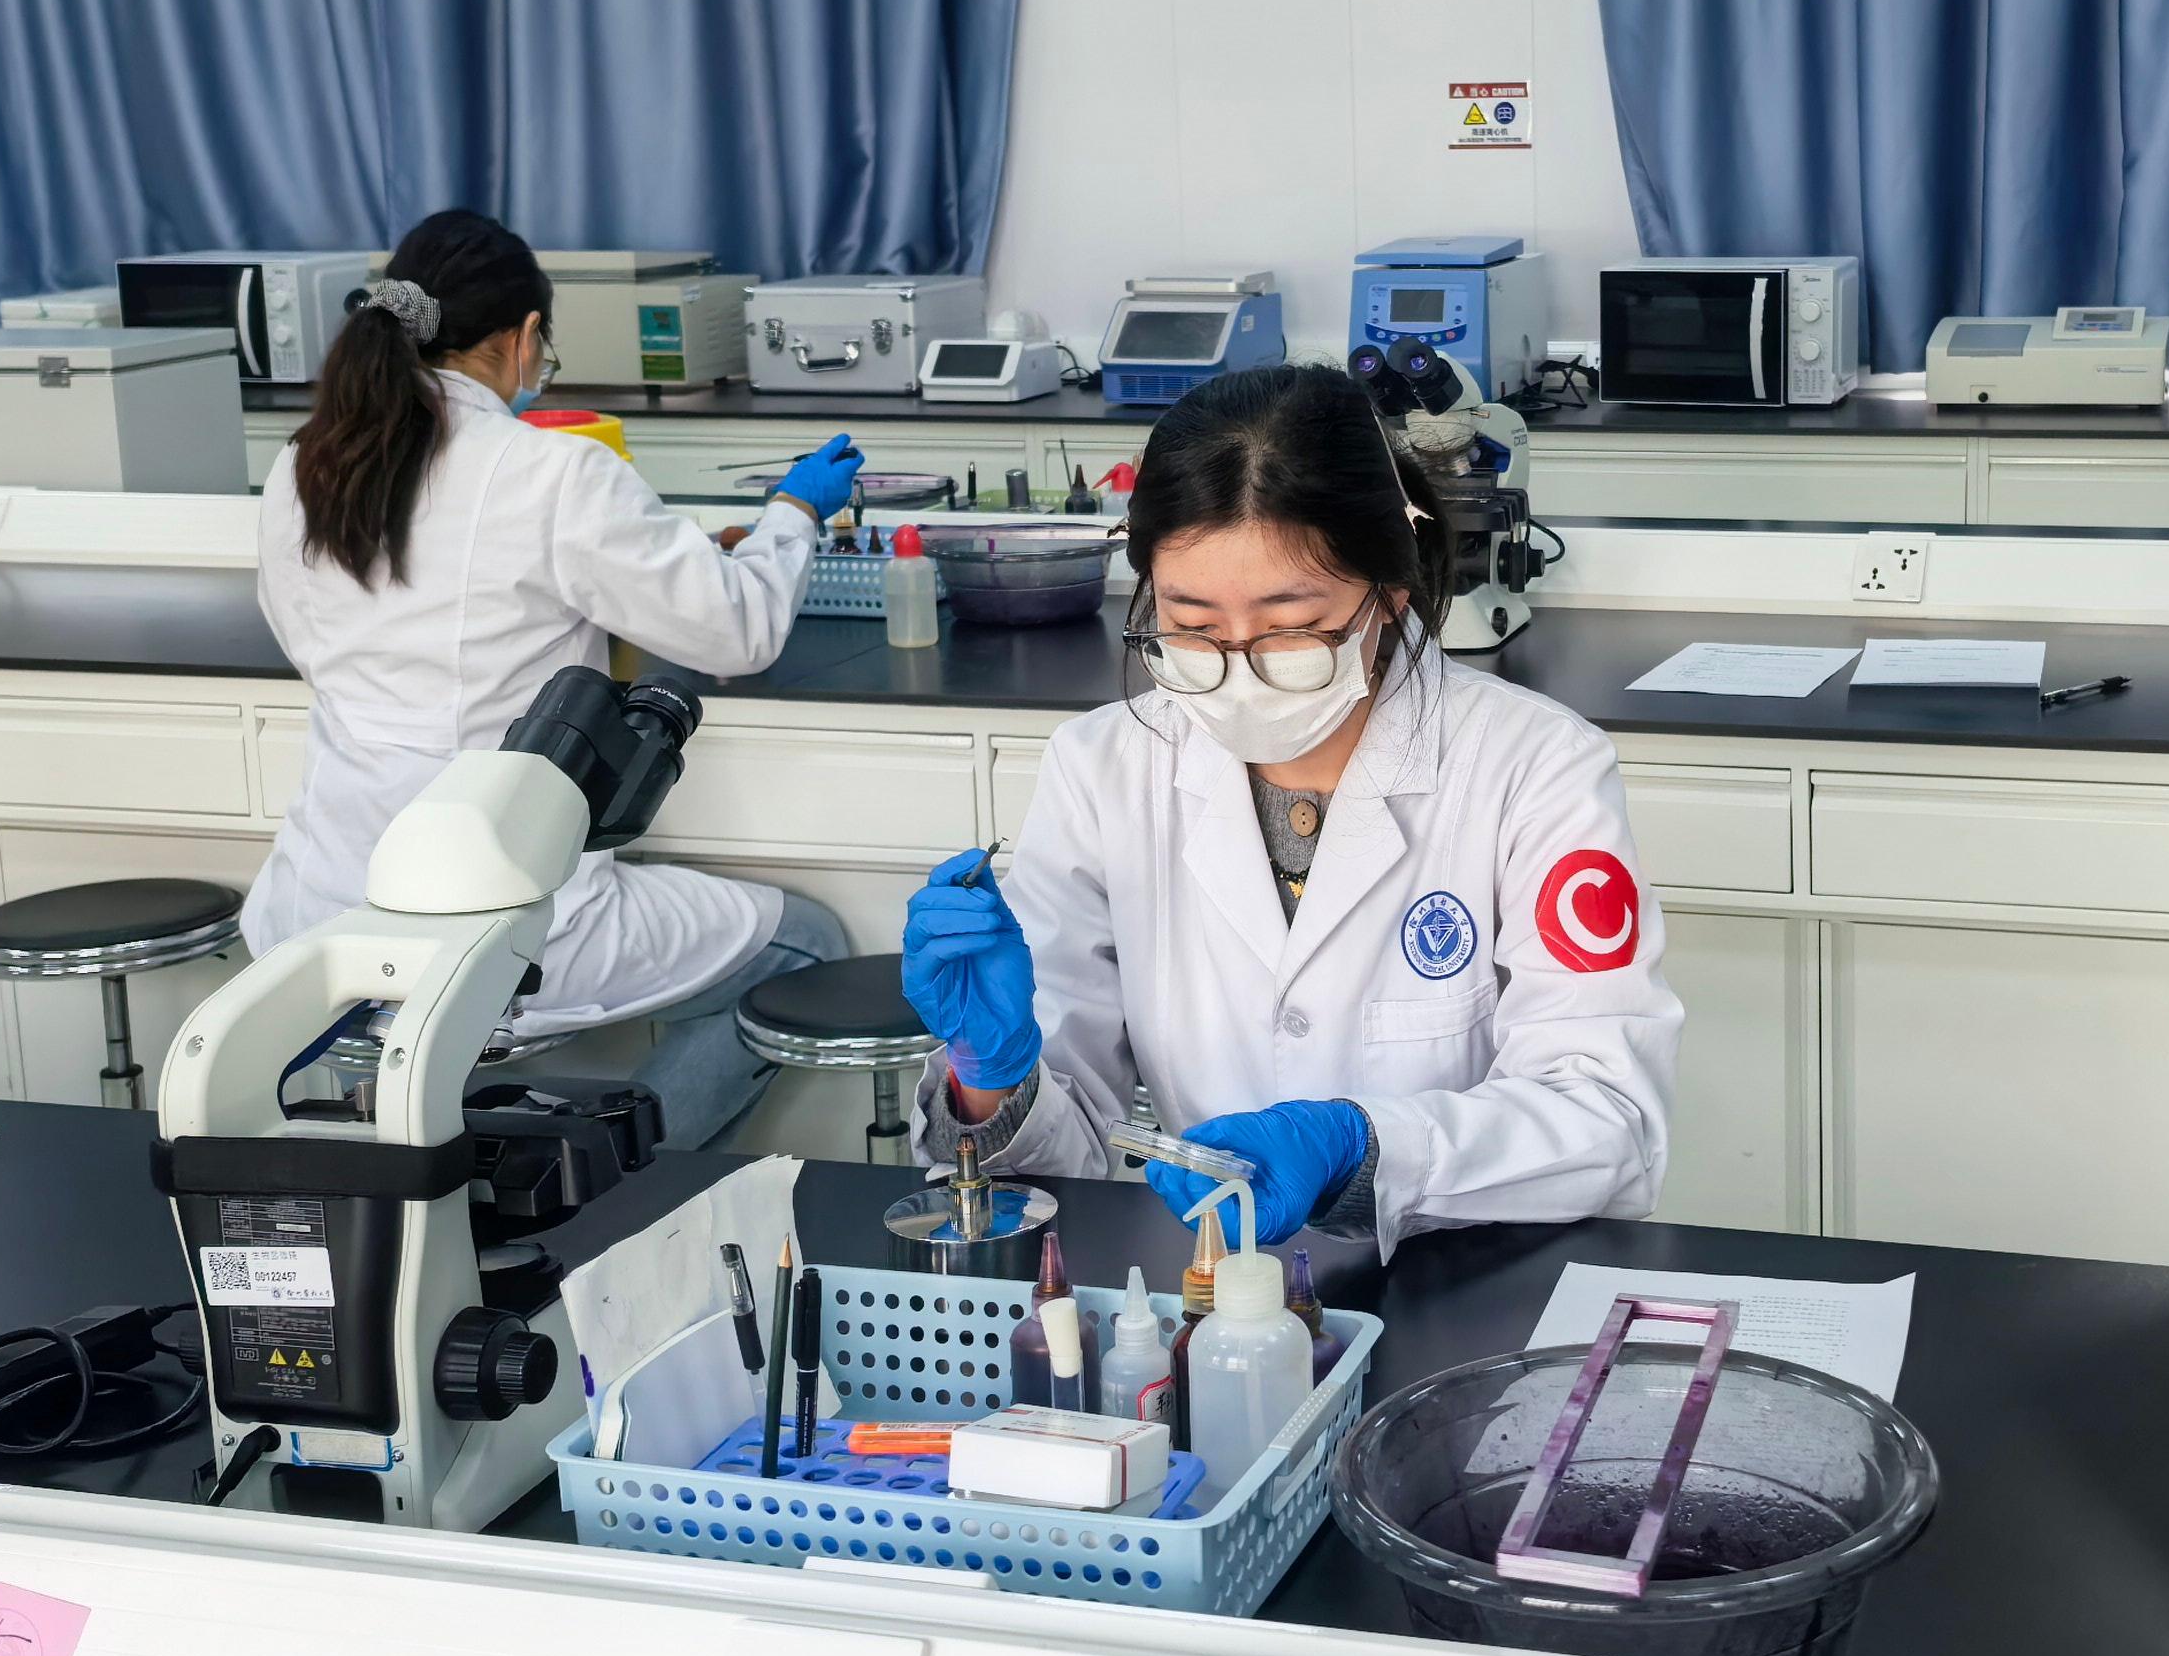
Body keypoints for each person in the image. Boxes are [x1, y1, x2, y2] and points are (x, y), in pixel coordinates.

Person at [896, 363, 1679, 1252]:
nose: (1238, 664)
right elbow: (1063, 1164)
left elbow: (1610, 1118)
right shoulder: (1103, 769)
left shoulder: (1533, 766)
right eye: (1192, 625)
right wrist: (994, 1080)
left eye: (1290, 626)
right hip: (1209, 1280)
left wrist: (1364, 1149)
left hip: (1467, 1277)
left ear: (1387, 592)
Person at [244, 209, 865, 1147]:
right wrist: (793, 515)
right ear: (524, 335)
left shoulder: (303, 466)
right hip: (501, 923)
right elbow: (738, 631)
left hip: (318, 913)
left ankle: (464, 1176)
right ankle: (608, 1182)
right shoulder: (551, 470)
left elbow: (364, 623)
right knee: (805, 947)